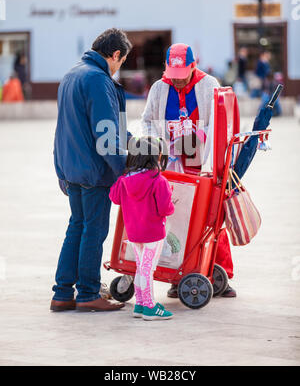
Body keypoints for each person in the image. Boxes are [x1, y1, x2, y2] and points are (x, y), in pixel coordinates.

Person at [141, 43, 236, 298]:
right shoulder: (159, 88)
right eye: (174, 76)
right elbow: (147, 121)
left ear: (193, 66)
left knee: (212, 217)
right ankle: (178, 275)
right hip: (170, 166)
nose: (178, 82)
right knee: (175, 220)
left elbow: (222, 122)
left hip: (201, 165)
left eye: (182, 76)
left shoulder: (209, 86)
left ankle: (219, 272)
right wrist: (156, 146)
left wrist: (202, 138)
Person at [51, 28, 132, 313]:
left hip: (71, 168)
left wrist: (60, 168)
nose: (118, 68)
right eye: (121, 62)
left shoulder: (72, 74)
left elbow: (63, 127)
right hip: (95, 172)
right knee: (93, 231)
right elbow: (106, 133)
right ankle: (87, 293)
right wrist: (123, 169)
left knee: (76, 228)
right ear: (116, 54)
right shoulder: (98, 80)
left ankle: (62, 293)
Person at [109, 136, 175, 320]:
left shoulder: (125, 180)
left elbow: (114, 198)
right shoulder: (158, 181)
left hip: (134, 233)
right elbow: (165, 209)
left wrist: (122, 177)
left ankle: (140, 303)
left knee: (141, 267)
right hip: (153, 233)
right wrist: (170, 196)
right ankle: (150, 306)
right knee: (147, 269)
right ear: (154, 157)